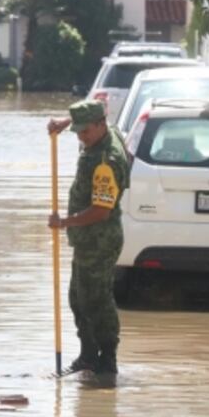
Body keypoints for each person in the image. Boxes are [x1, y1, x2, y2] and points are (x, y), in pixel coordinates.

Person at [47, 100, 129, 375]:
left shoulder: (106, 161)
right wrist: (65, 122)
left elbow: (101, 211)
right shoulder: (107, 130)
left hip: (100, 240)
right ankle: (88, 356)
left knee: (96, 301)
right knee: (77, 297)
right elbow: (100, 111)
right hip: (86, 241)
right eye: (78, 131)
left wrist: (64, 223)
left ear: (99, 126)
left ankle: (106, 361)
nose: (81, 137)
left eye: (85, 132)